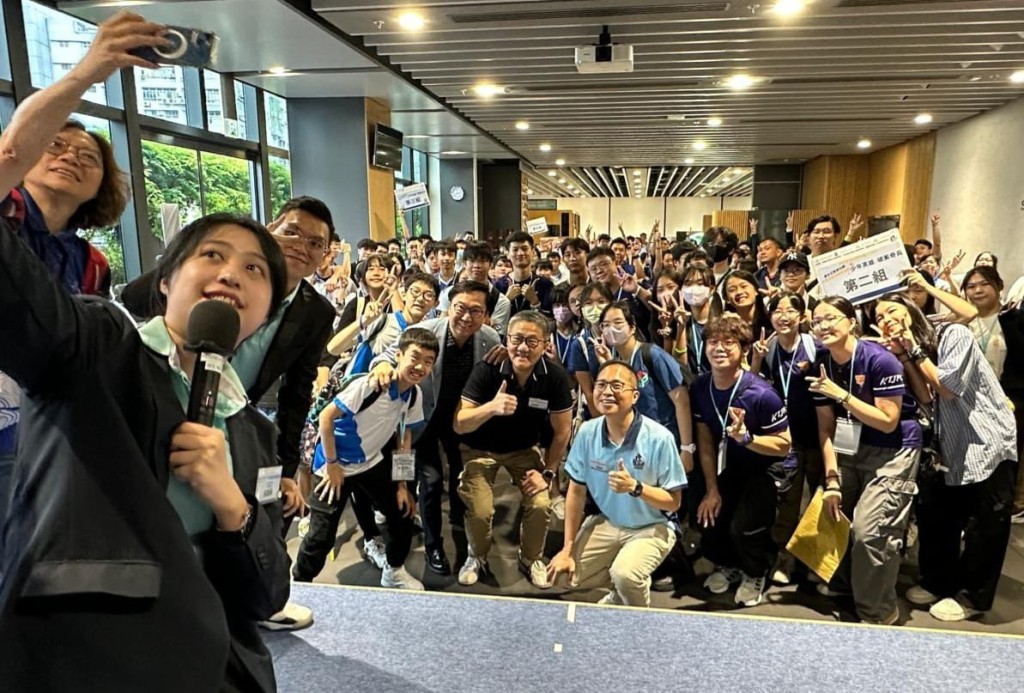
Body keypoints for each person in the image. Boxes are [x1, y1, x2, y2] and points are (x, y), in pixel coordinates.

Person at [0, 213, 291, 690]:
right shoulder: (97, 347)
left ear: (267, 314)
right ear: (165, 281)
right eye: (212, 254)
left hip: (215, 660)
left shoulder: (254, 430)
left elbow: (268, 593)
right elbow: (20, 306)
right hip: (91, 651)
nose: (232, 274)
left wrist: (231, 504)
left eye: (256, 270)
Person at [0, 10, 169, 526]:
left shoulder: (90, 264)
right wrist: (85, 75)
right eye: (54, 145)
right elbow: (9, 149)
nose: (70, 155)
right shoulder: (7, 215)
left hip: (41, 424)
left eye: (88, 157)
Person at [871, 293, 1017, 622]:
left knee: (986, 523)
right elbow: (927, 397)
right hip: (950, 444)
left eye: (891, 310)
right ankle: (938, 580)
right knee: (938, 515)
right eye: (879, 317)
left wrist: (914, 349)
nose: (886, 319)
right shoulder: (911, 348)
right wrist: (906, 356)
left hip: (987, 439)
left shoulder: (955, 334)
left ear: (911, 311)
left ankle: (972, 597)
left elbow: (949, 387)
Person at [369, 280, 502, 575]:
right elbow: (389, 355)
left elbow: (498, 370)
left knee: (460, 476)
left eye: (476, 311)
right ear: (447, 307)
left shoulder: (490, 339)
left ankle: (458, 517)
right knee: (429, 483)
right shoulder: (427, 332)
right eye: (460, 308)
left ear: (486, 314)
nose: (467, 317)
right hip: (422, 422)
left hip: (461, 422)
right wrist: (380, 365)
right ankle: (433, 546)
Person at [293, 328, 437, 590]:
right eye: (415, 357)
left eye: (428, 361)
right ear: (399, 355)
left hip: (371, 462)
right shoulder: (370, 385)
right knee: (320, 538)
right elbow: (326, 418)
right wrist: (334, 466)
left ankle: (393, 571)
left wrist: (403, 485)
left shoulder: (414, 395)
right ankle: (298, 586)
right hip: (334, 465)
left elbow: (403, 437)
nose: (420, 366)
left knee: (402, 514)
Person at [809, 296, 922, 625]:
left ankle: (879, 613)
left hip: (894, 451)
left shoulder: (881, 360)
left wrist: (841, 394)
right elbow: (826, 428)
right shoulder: (821, 363)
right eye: (816, 321)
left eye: (831, 318)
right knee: (837, 515)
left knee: (870, 531)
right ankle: (849, 587)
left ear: (851, 321)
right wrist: (831, 480)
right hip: (850, 447)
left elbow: (888, 420)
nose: (823, 326)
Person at [547, 360, 686, 607]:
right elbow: (576, 493)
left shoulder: (659, 438)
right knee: (561, 574)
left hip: (653, 526)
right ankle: (620, 590)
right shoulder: (587, 432)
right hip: (610, 522)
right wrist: (566, 549)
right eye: (601, 384)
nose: (607, 391)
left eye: (616, 385)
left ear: (634, 396)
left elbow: (674, 502)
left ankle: (636, 618)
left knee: (626, 574)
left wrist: (636, 487)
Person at [454, 312, 574, 587]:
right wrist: (492, 408)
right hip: (480, 450)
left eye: (532, 341)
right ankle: (477, 556)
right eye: (517, 339)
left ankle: (531, 558)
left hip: (523, 450)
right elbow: (459, 424)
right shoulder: (487, 369)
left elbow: (562, 431)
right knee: (481, 508)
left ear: (546, 345)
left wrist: (548, 473)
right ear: (506, 340)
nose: (522, 347)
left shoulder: (555, 377)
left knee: (542, 501)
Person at [692, 315, 791, 607]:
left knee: (744, 527)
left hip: (764, 467)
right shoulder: (700, 388)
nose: (719, 348)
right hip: (728, 464)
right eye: (713, 342)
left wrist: (748, 439)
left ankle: (755, 572)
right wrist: (711, 489)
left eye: (728, 342)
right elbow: (706, 441)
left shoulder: (762, 394)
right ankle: (731, 566)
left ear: (744, 349)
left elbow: (784, 446)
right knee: (710, 515)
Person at [750, 292, 829, 584]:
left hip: (817, 435)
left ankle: (816, 562)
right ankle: (785, 560)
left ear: (802, 316)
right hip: (784, 439)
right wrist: (756, 359)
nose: (783, 316)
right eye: (777, 310)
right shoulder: (766, 348)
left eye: (790, 310)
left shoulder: (815, 347)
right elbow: (752, 386)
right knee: (786, 502)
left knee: (819, 501)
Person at [594, 302, 694, 461]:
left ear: (632, 328)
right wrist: (607, 363)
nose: (611, 329)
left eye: (618, 323)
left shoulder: (652, 355)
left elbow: (681, 400)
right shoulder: (617, 362)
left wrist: (687, 448)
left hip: (668, 440)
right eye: (605, 325)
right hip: (639, 443)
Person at [440, 242, 511, 335]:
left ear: (490, 264)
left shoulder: (500, 301)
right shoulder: (449, 293)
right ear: (464, 263)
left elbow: (495, 336)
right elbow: (442, 327)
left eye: (482, 261)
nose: (477, 265)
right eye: (472, 260)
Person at [505, 231, 555, 317]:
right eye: (515, 250)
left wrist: (535, 302)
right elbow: (493, 319)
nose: (520, 253)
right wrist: (506, 300)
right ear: (507, 254)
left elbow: (551, 318)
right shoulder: (499, 284)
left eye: (524, 249)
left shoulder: (546, 284)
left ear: (532, 252)